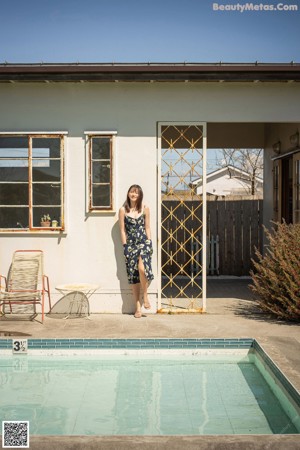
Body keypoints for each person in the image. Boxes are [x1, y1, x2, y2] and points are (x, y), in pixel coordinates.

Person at [119, 185, 154, 318]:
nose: (133, 194)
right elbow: (122, 230)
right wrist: (125, 246)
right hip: (131, 245)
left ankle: (145, 296)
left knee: (142, 269)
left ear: (140, 195)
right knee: (134, 276)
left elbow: (148, 227)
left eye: (136, 193)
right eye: (132, 192)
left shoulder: (145, 209)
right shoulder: (123, 210)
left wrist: (149, 243)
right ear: (128, 193)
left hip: (144, 244)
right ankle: (138, 307)